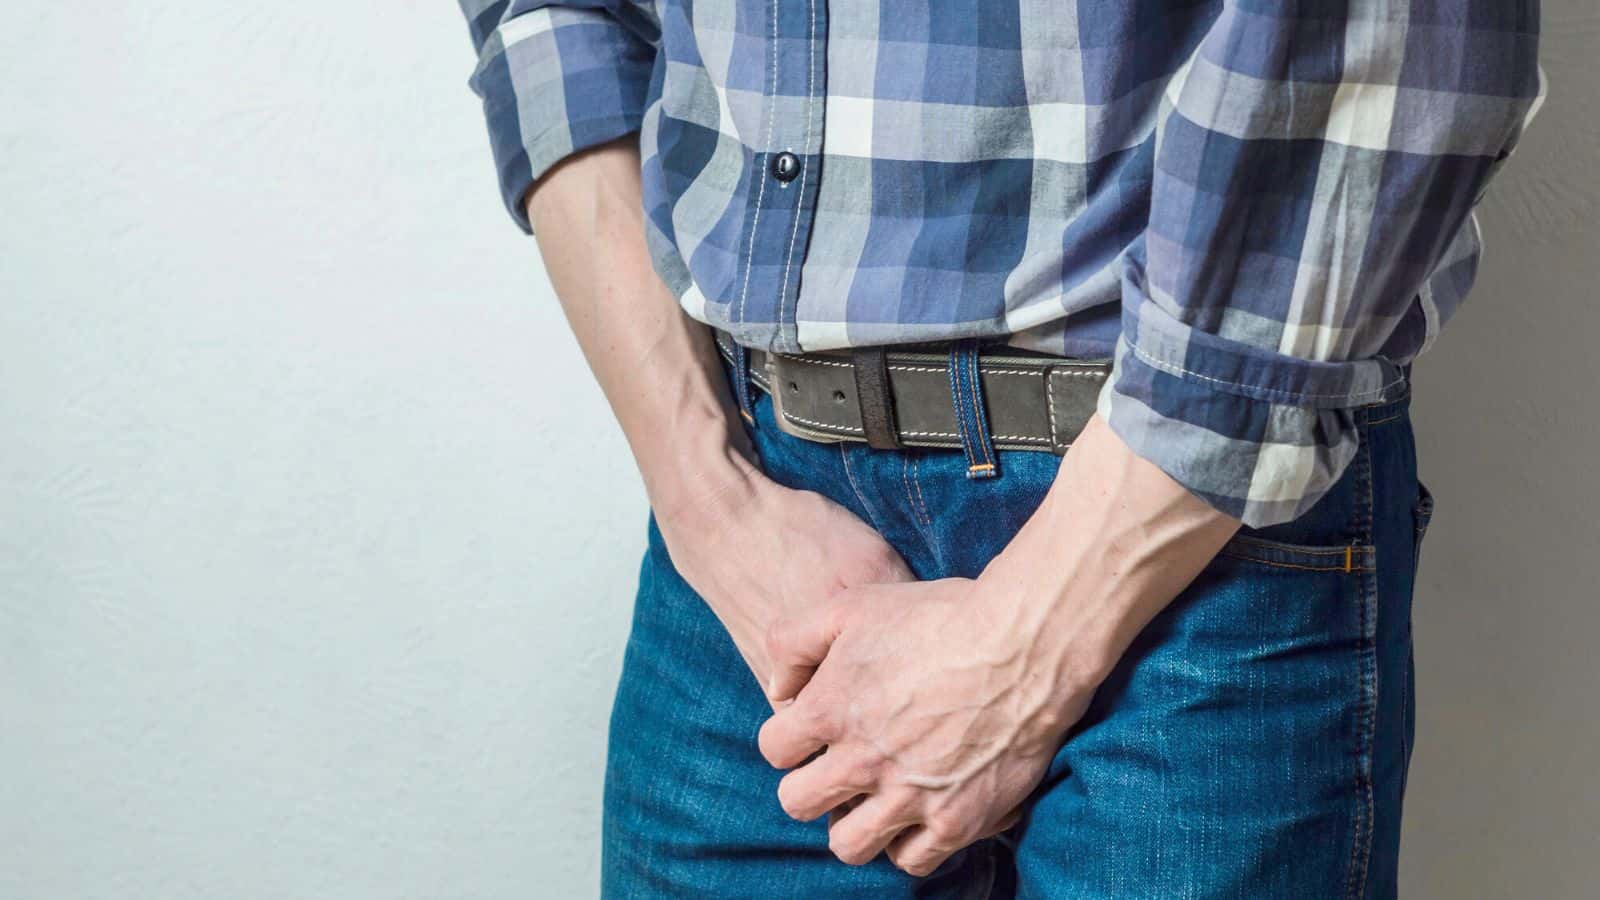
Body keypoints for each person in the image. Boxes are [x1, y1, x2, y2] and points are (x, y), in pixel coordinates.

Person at [457, 2, 1543, 896]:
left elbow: (1389, 39)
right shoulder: (727, 519)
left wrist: (1032, 641)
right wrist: (707, 494)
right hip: (751, 553)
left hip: (1196, 537)